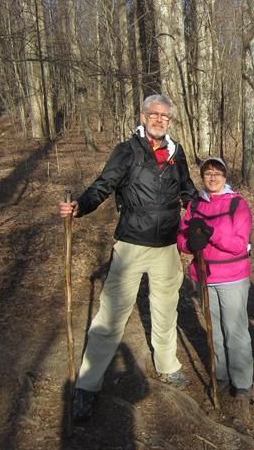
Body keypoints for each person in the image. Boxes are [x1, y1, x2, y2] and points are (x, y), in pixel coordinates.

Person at [58, 94, 197, 422]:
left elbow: (189, 192)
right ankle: (88, 385)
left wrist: (204, 215)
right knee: (111, 316)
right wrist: (80, 206)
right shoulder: (127, 150)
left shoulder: (178, 155)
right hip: (131, 243)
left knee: (166, 309)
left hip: (166, 246)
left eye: (165, 116)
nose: (160, 119)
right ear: (143, 115)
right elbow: (103, 186)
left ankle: (167, 365)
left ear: (171, 122)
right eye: (154, 114)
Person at [177, 157, 254, 405]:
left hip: (232, 277)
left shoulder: (237, 204)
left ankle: (242, 383)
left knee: (235, 331)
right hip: (203, 276)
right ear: (202, 176)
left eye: (217, 173)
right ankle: (220, 376)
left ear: (225, 176)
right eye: (208, 173)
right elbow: (181, 236)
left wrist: (210, 233)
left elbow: (239, 244)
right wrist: (190, 243)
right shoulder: (195, 204)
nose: (212, 177)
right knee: (214, 332)